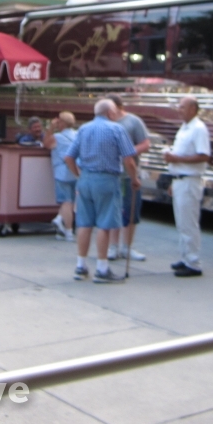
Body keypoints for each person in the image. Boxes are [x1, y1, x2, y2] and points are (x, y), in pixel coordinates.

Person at [63, 99, 139, 284]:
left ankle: (81, 266)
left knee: (84, 224)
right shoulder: (116, 129)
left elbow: (68, 157)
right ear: (111, 113)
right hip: (107, 180)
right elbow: (129, 160)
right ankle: (102, 269)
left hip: (86, 180)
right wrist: (135, 179)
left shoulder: (84, 129)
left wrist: (79, 176)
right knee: (104, 225)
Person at [162, 96, 210, 277]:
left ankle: (194, 263)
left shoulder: (198, 129)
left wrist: (176, 159)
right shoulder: (184, 127)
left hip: (190, 181)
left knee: (189, 223)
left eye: (182, 107)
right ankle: (185, 257)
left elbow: (204, 155)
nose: (179, 110)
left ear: (193, 109)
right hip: (180, 180)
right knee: (182, 223)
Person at [106, 94, 150, 262]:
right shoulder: (106, 122)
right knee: (113, 211)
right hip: (110, 174)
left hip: (129, 174)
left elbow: (146, 144)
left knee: (131, 210)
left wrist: (128, 151)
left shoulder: (133, 121)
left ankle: (127, 247)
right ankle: (113, 247)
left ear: (116, 107)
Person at [43, 112, 78, 241]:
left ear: (61, 123)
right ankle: (59, 220)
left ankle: (68, 231)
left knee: (65, 202)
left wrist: (50, 128)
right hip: (75, 172)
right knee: (71, 201)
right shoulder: (78, 135)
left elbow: (46, 143)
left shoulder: (57, 137)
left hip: (61, 172)